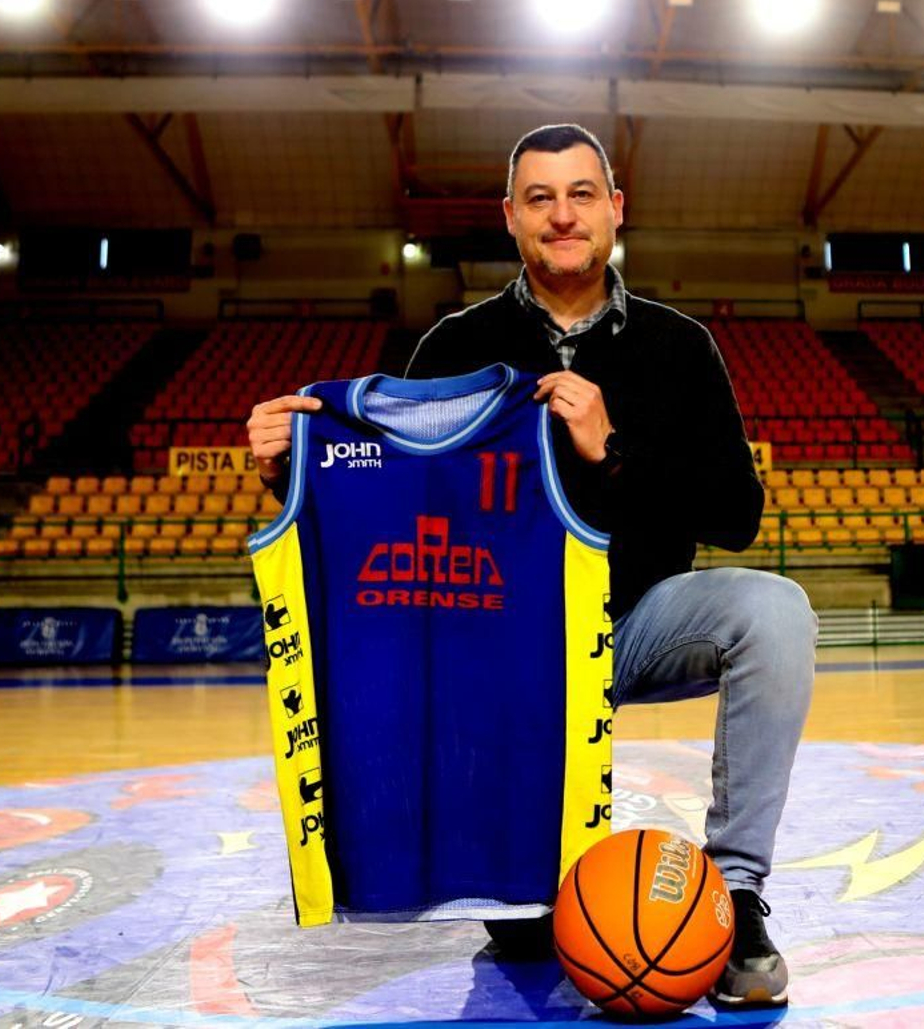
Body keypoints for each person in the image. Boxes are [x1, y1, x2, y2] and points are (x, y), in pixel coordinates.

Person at [246, 123, 816, 1008]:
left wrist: (612, 447)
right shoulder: (453, 346)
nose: (563, 215)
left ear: (616, 210)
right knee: (525, 934)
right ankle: (516, 866)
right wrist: (292, 465)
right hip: (504, 656)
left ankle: (737, 895)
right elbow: (400, 500)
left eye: (582, 194)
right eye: (541, 198)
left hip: (637, 624)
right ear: (510, 217)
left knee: (774, 610)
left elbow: (737, 518)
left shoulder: (681, 346)